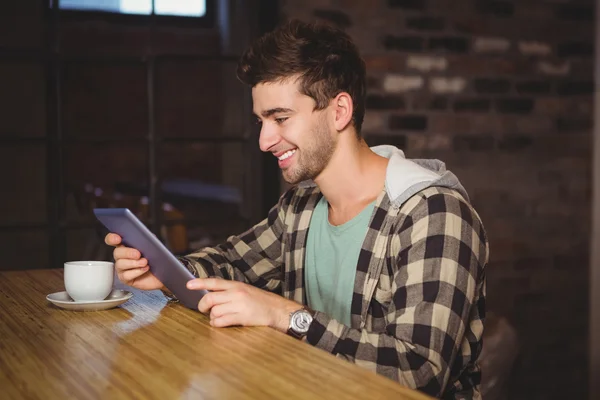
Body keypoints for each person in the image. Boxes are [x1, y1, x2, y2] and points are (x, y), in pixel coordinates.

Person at [105, 19, 488, 399]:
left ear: (339, 111)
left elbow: (419, 372)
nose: (264, 140)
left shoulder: (435, 215)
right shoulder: (301, 206)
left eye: (280, 118)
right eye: (260, 121)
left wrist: (286, 316)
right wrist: (165, 272)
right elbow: (232, 263)